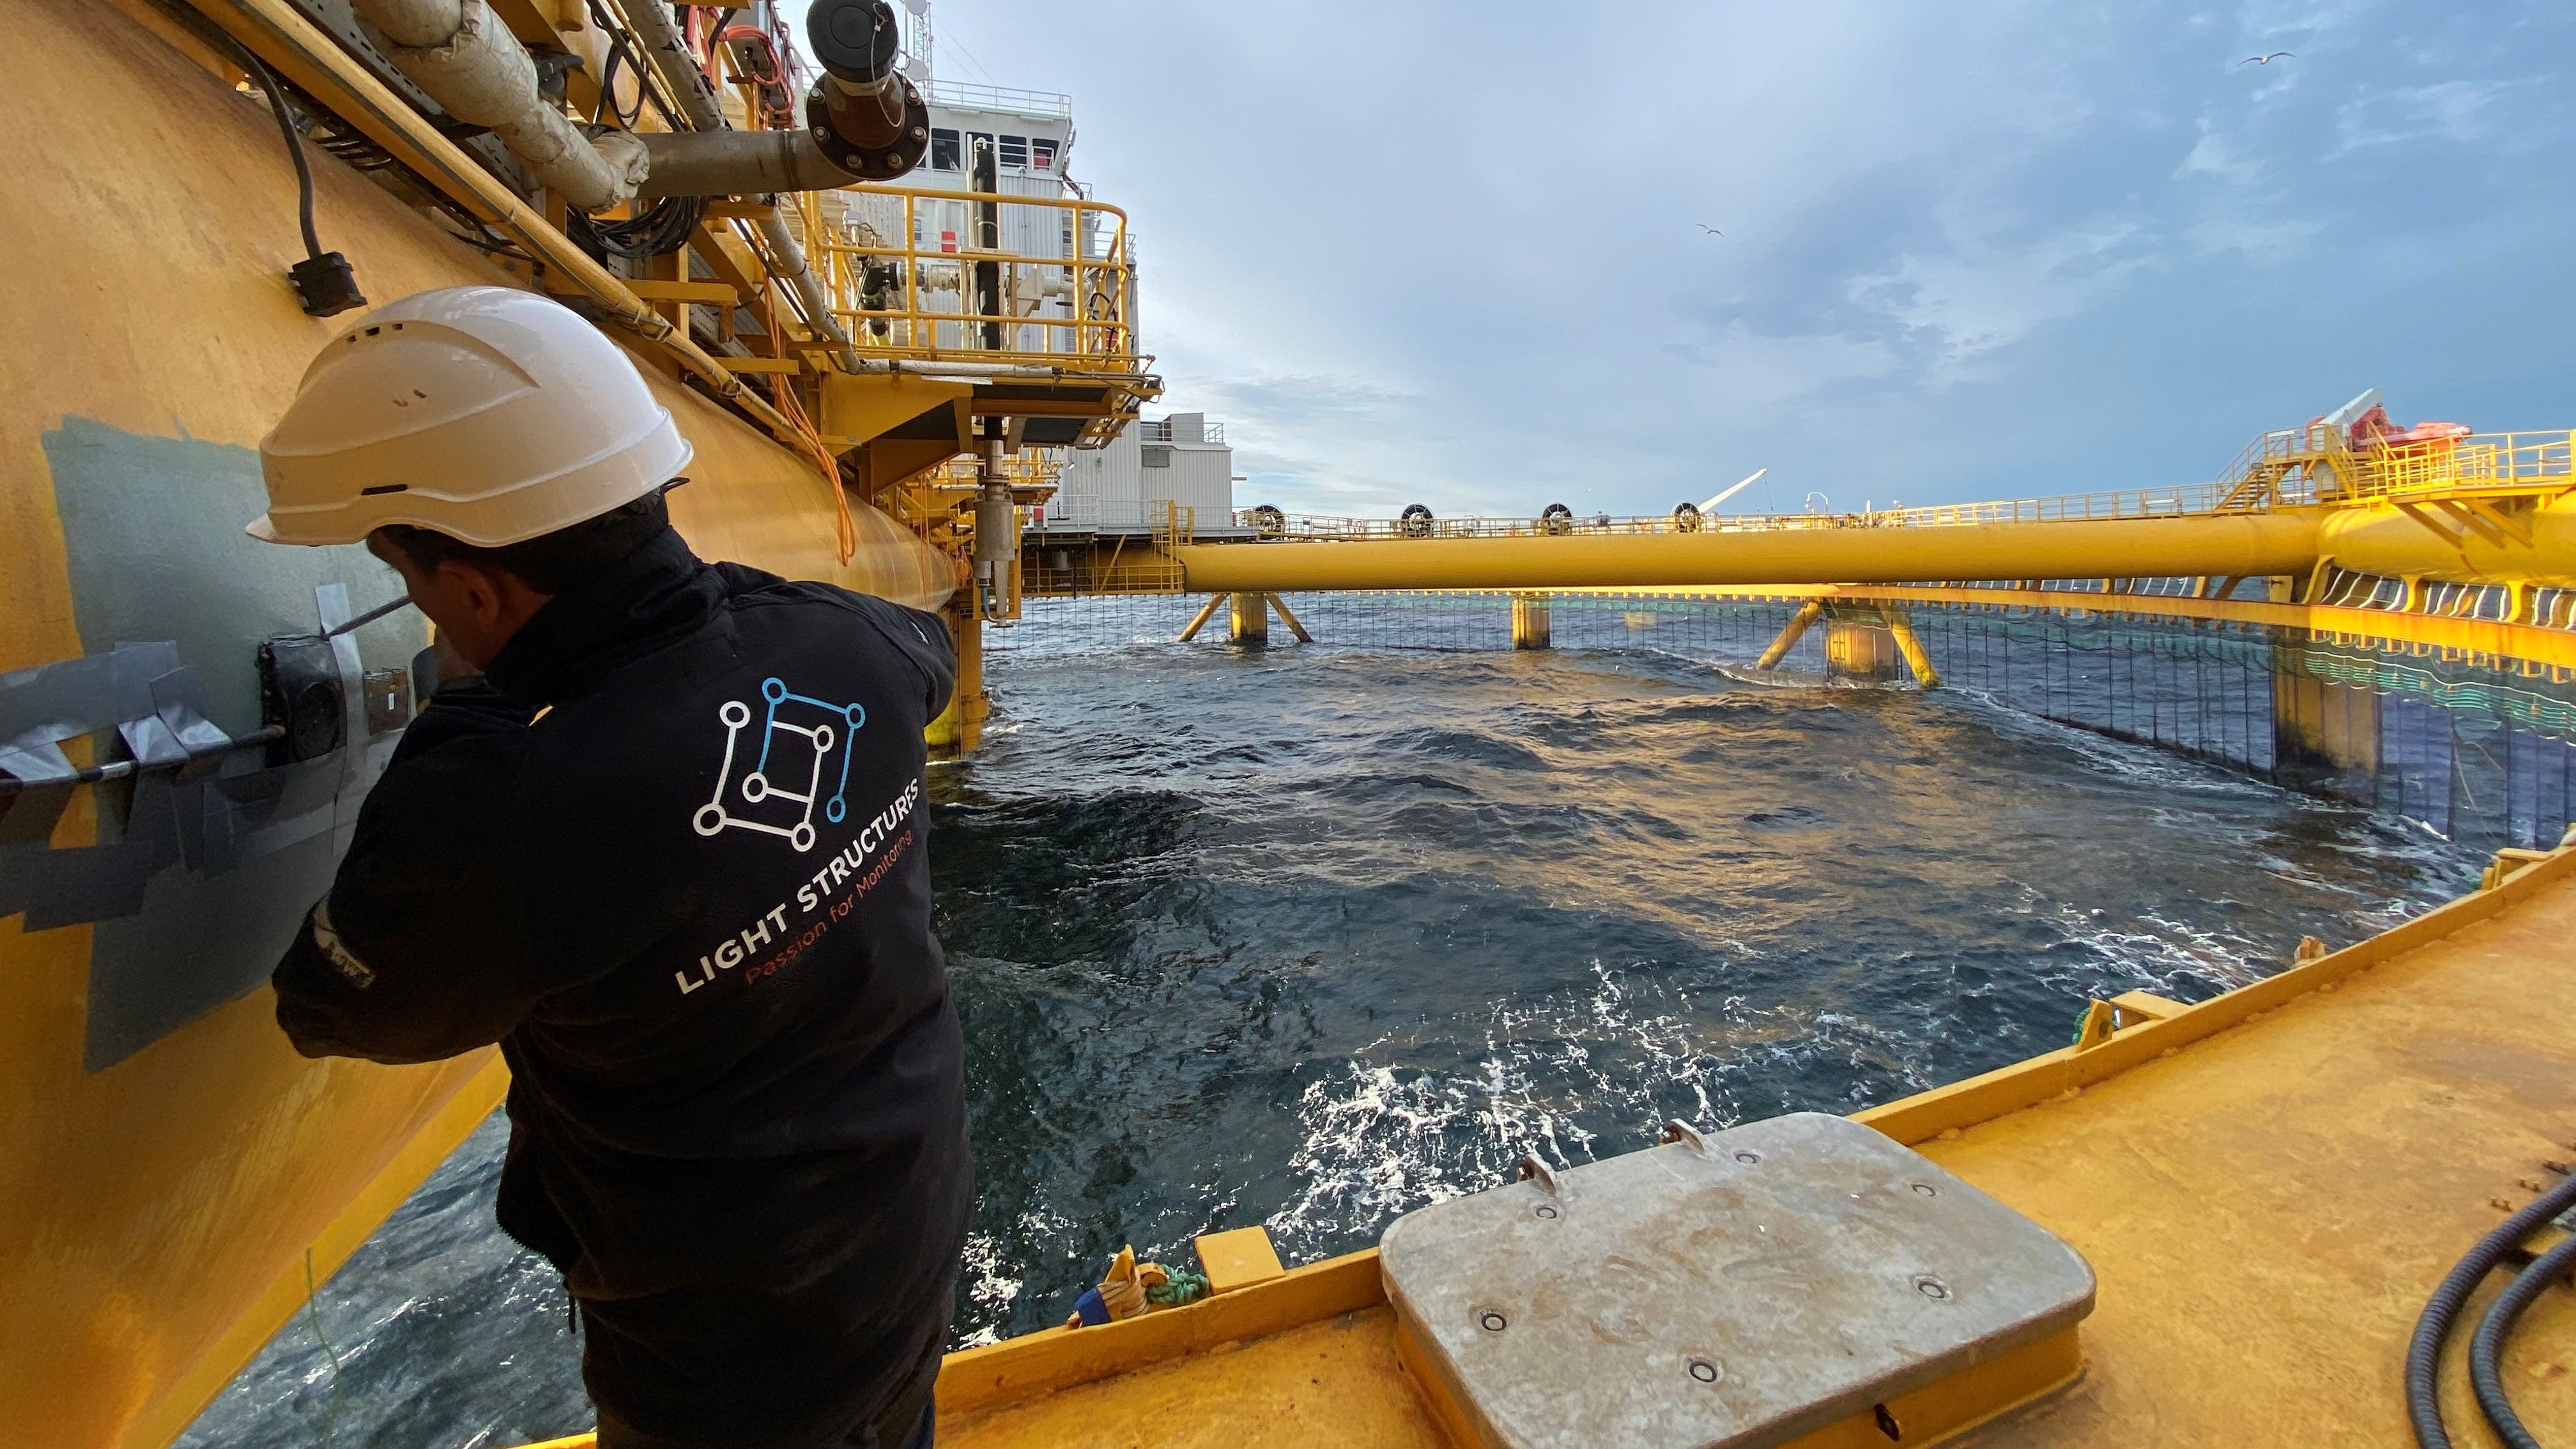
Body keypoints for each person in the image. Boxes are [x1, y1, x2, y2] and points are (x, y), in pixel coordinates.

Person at [250, 286, 970, 1449]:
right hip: (908, 1224)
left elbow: (337, 1007)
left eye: (415, 582)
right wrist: (732, 613)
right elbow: (930, 654)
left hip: (733, 1345)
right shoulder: (850, 640)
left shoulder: (510, 801)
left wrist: (466, 721)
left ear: (473, 588)